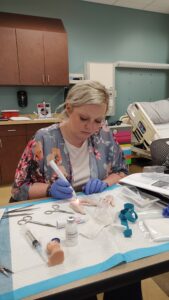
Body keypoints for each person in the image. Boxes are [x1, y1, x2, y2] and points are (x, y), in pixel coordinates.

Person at [10, 80, 142, 300]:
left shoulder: (105, 136)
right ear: (69, 109)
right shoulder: (44, 138)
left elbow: (121, 171)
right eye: (83, 119)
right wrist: (50, 189)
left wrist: (105, 183)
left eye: (98, 120)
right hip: (59, 226)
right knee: (77, 284)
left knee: (125, 276)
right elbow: (18, 189)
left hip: (97, 222)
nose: (91, 127)